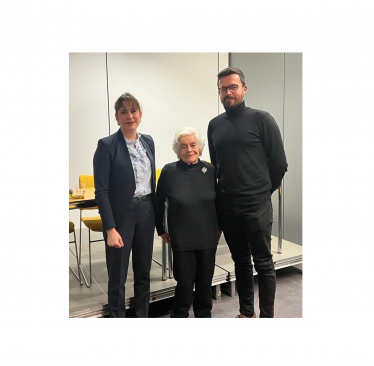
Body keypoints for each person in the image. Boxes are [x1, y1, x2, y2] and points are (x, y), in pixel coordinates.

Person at [207, 67, 288, 318]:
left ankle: (266, 317)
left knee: (263, 262)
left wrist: (263, 191)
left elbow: (279, 164)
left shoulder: (262, 119)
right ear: (219, 92)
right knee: (240, 262)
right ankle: (246, 313)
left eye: (233, 87)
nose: (228, 92)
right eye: (223, 88)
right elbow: (216, 166)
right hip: (228, 206)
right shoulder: (214, 125)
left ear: (244, 88)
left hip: (257, 205)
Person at [93, 93, 156, 318]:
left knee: (143, 273)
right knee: (118, 276)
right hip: (122, 216)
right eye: (123, 112)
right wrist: (110, 228)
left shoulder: (148, 141)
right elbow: (101, 191)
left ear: (140, 114)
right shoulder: (107, 145)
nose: (129, 116)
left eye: (133, 111)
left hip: (147, 211)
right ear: (117, 117)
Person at [156, 127, 218, 318]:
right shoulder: (169, 171)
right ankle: (179, 316)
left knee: (204, 283)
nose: (189, 150)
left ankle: (203, 316)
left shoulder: (210, 170)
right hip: (181, 237)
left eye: (193, 145)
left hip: (208, 236)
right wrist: (161, 229)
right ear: (178, 150)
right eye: (184, 146)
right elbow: (158, 202)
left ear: (199, 147)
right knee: (184, 283)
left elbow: (219, 201)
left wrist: (220, 227)